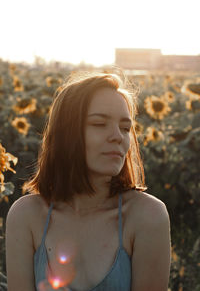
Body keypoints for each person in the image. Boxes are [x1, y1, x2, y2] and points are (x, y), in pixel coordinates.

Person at [5, 71, 171, 291]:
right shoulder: (26, 216)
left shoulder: (146, 216)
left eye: (125, 128)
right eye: (99, 124)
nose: (117, 136)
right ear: (66, 133)